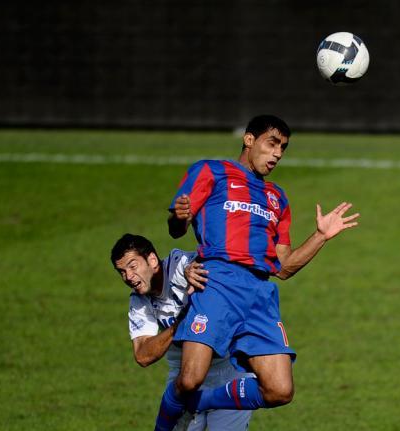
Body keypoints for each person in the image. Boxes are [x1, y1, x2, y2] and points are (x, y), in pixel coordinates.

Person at [155, 115, 360, 431]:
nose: (278, 153)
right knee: (189, 379)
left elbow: (285, 267)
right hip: (217, 283)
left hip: (259, 293)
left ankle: (202, 402)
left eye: (284, 148)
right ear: (249, 140)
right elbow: (176, 229)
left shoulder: (277, 197)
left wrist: (321, 236)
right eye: (272, 143)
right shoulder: (211, 171)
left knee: (280, 390)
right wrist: (179, 218)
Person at [110, 233, 253, 430]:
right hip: (183, 376)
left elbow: (206, 263)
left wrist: (194, 267)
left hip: (228, 371)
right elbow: (143, 355)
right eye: (122, 272)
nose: (128, 277)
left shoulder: (179, 267)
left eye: (133, 266)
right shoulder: (138, 301)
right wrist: (179, 325)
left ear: (152, 260)